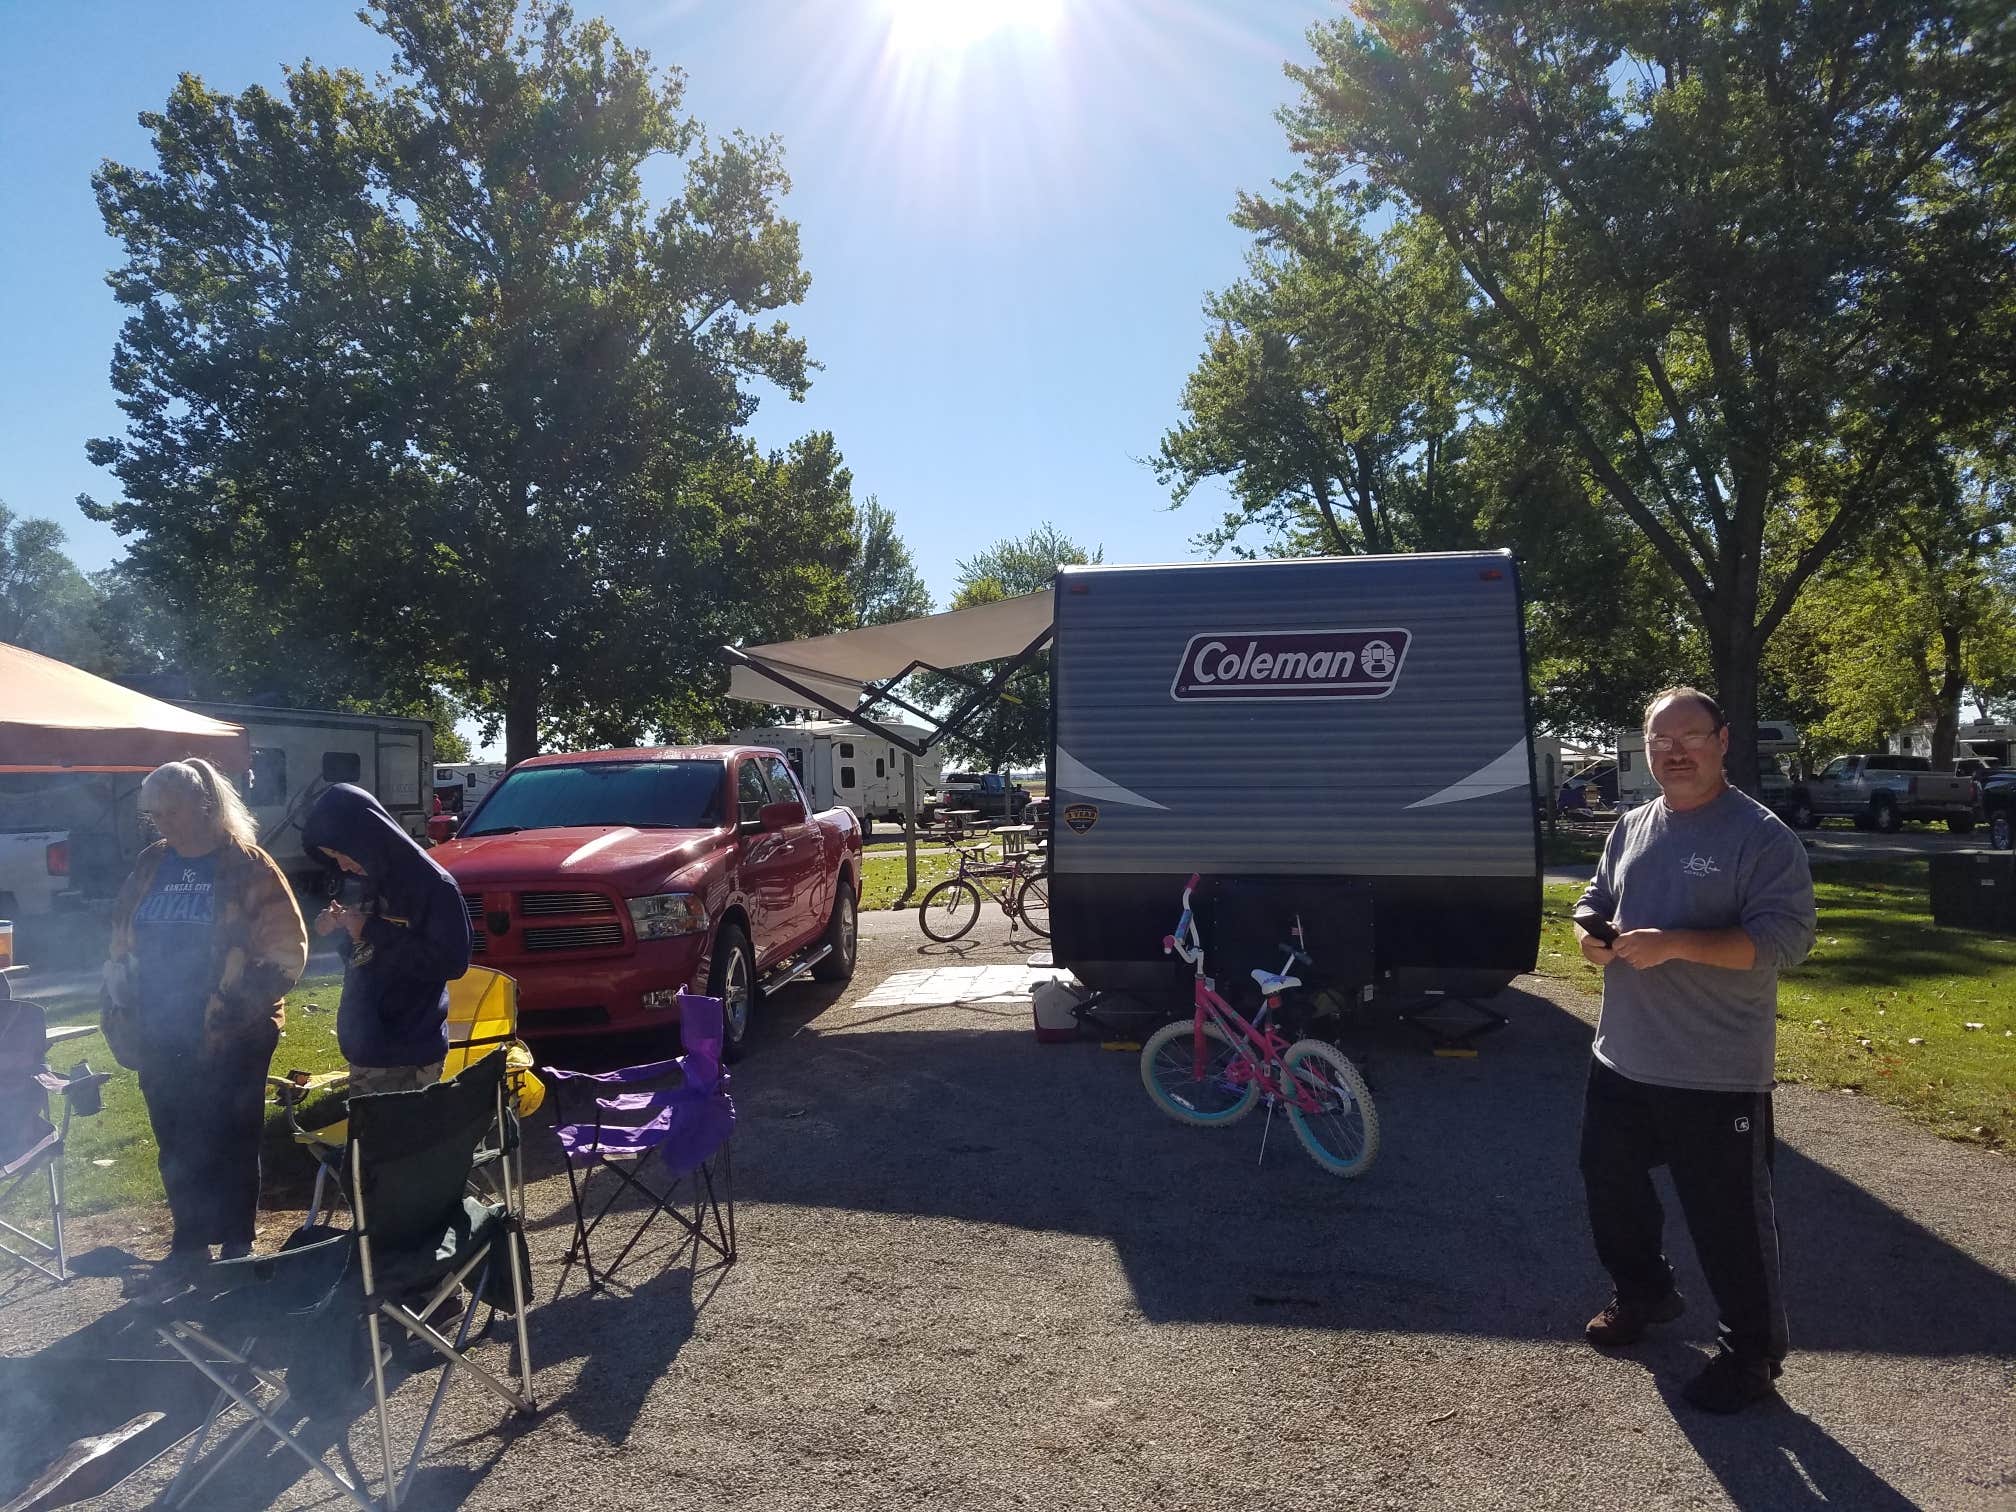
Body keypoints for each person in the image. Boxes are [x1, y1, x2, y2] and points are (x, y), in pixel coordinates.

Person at [1574, 688, 1817, 1413]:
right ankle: (1645, 1293)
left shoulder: (1761, 836)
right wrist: (1587, 934)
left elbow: (1786, 941)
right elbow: (1596, 898)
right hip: (1622, 1056)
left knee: (1729, 1219)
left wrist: (1676, 944)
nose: (1675, 751)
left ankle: (1751, 1357)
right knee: (1609, 1187)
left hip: (1714, 1069)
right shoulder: (1633, 825)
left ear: (1723, 740)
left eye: (1690, 736)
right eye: (1660, 739)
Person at [101, 758, 307, 1296]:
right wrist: (119, 994)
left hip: (233, 1033)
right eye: (155, 814)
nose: (163, 823)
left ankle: (237, 1247)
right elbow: (122, 936)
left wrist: (232, 1007)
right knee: (175, 1140)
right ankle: (189, 1244)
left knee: (231, 1136)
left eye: (172, 811)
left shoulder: (248, 867)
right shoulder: (151, 864)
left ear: (205, 806)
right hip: (159, 1031)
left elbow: (287, 950)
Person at [302, 784, 471, 1094]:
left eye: (342, 853)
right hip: (369, 1043)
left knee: (406, 1141)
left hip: (410, 1048)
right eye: (332, 857)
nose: (341, 864)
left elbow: (451, 962)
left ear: (365, 837)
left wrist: (370, 930)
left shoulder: (434, 886)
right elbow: (364, 956)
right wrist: (343, 930)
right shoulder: (363, 881)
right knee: (370, 1140)